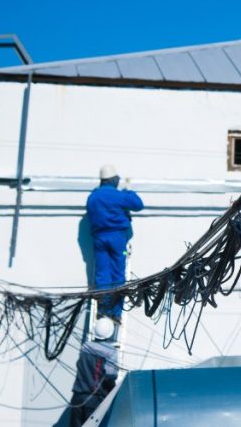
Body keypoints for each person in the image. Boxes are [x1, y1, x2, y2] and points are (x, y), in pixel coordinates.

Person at [86, 164, 143, 320]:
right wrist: (128, 190)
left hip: (99, 238)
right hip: (117, 238)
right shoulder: (118, 195)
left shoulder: (93, 197)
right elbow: (138, 205)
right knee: (118, 273)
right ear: (113, 179)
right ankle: (116, 313)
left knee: (102, 274)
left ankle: (103, 310)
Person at [69, 317, 119, 426]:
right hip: (95, 399)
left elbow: (79, 365)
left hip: (78, 397)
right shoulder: (111, 352)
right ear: (110, 333)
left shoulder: (85, 347)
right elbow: (110, 377)